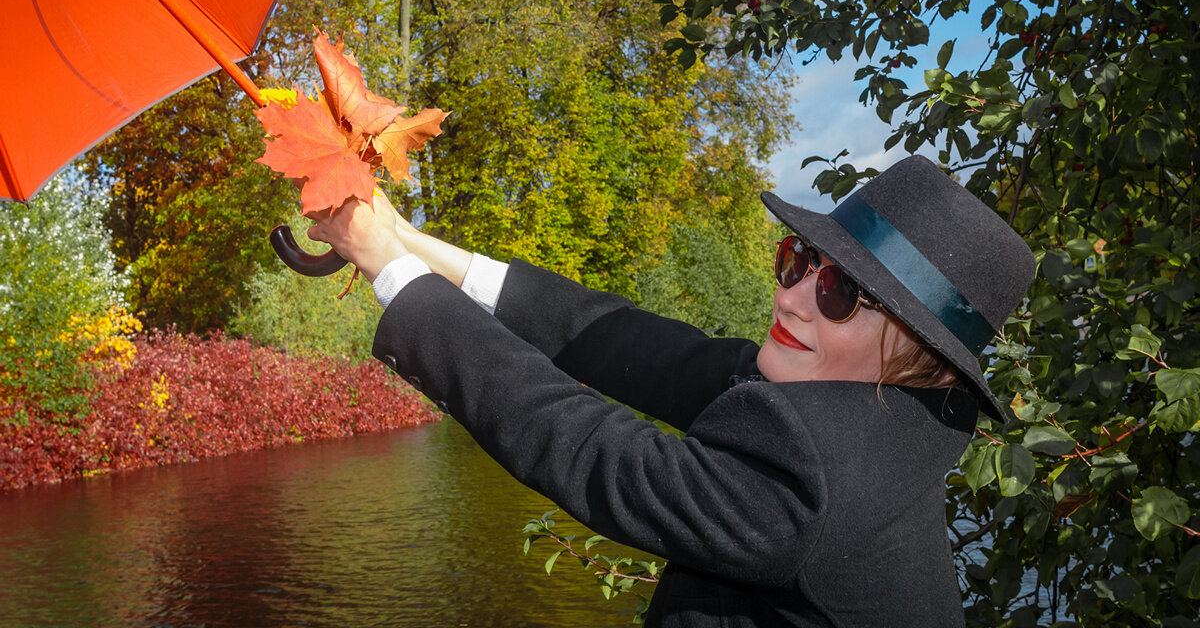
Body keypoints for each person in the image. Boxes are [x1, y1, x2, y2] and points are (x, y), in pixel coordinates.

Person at [306, 154, 1035, 627]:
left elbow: (590, 449)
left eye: (840, 293)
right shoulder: (868, 409)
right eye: (798, 262)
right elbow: (619, 338)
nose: (790, 299)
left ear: (926, 360)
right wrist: (404, 239)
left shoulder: (816, 475)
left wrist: (386, 272)